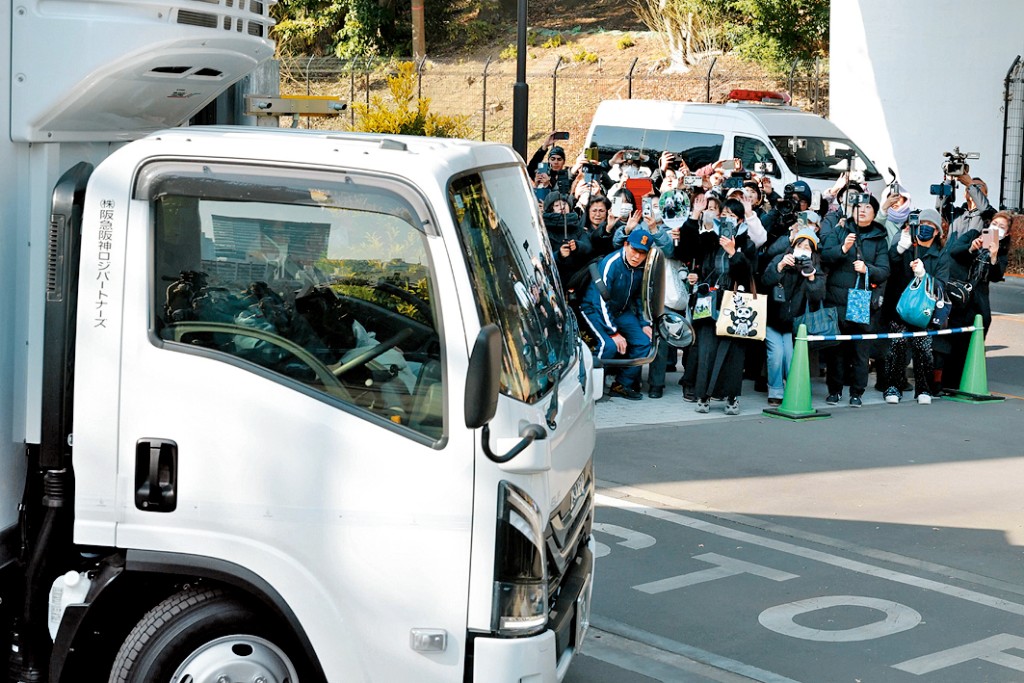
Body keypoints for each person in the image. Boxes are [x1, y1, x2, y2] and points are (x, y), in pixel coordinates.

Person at [678, 197, 757, 415]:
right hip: (709, 300)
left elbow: (748, 274)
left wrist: (734, 253)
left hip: (736, 303)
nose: (727, 220)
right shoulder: (710, 240)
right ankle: (703, 396)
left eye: (733, 216)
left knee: (733, 353)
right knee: (706, 350)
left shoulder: (747, 244)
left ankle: (731, 398)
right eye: (724, 216)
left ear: (740, 220)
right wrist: (695, 215)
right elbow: (686, 250)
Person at [818, 194, 890, 407]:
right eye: (858, 206)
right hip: (836, 300)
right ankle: (834, 390)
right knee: (836, 351)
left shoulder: (879, 239)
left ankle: (857, 392)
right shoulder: (840, 231)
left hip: (862, 302)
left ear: (874, 213)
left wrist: (868, 269)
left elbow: (885, 271)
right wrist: (842, 249)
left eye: (868, 207)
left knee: (860, 351)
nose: (862, 210)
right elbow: (825, 256)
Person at [881, 208, 950, 404]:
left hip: (924, 311)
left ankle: (924, 389)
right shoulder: (907, 246)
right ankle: (893, 387)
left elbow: (942, 285)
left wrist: (924, 276)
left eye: (930, 226)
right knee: (897, 347)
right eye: (922, 224)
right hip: (900, 307)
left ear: (937, 231)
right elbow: (888, 267)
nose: (925, 229)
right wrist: (899, 249)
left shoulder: (940, 255)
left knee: (922, 349)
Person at [579, 229, 655, 400]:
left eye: (642, 253)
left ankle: (621, 385)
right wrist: (613, 332)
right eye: (635, 250)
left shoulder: (642, 267)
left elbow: (638, 297)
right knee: (608, 346)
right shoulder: (611, 263)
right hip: (593, 310)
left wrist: (643, 323)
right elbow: (599, 301)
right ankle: (588, 386)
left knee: (644, 343)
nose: (637, 256)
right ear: (626, 244)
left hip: (620, 311)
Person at [761, 226, 826, 406]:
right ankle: (775, 390)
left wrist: (812, 277)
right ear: (793, 246)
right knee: (776, 354)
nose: (803, 250)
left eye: (807, 247)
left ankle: (792, 390)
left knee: (790, 357)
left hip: (796, 323)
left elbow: (818, 296)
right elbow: (765, 281)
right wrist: (780, 266)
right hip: (772, 318)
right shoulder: (780, 258)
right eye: (800, 245)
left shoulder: (814, 268)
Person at [541, 191, 592, 289]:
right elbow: (543, 258)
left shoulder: (577, 228)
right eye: (557, 205)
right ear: (550, 209)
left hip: (578, 280)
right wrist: (559, 255)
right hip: (556, 282)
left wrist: (577, 246)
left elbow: (588, 247)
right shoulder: (544, 231)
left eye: (564, 204)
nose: (562, 207)